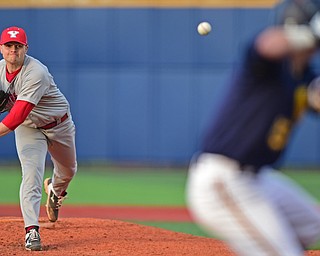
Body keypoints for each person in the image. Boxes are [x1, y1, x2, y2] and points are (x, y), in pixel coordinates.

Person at [186, 2, 320, 256]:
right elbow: (265, 45)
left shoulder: (304, 76)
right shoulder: (268, 67)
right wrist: (311, 33)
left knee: (310, 227)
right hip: (222, 180)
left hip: (258, 178)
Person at [0, 26, 77, 251]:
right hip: (29, 129)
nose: (13, 50)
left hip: (59, 125)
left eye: (18, 46)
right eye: (9, 45)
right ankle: (31, 230)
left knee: (69, 170)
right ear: (1, 48)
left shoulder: (36, 72)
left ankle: (56, 190)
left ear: (26, 48)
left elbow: (15, 116)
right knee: (30, 175)